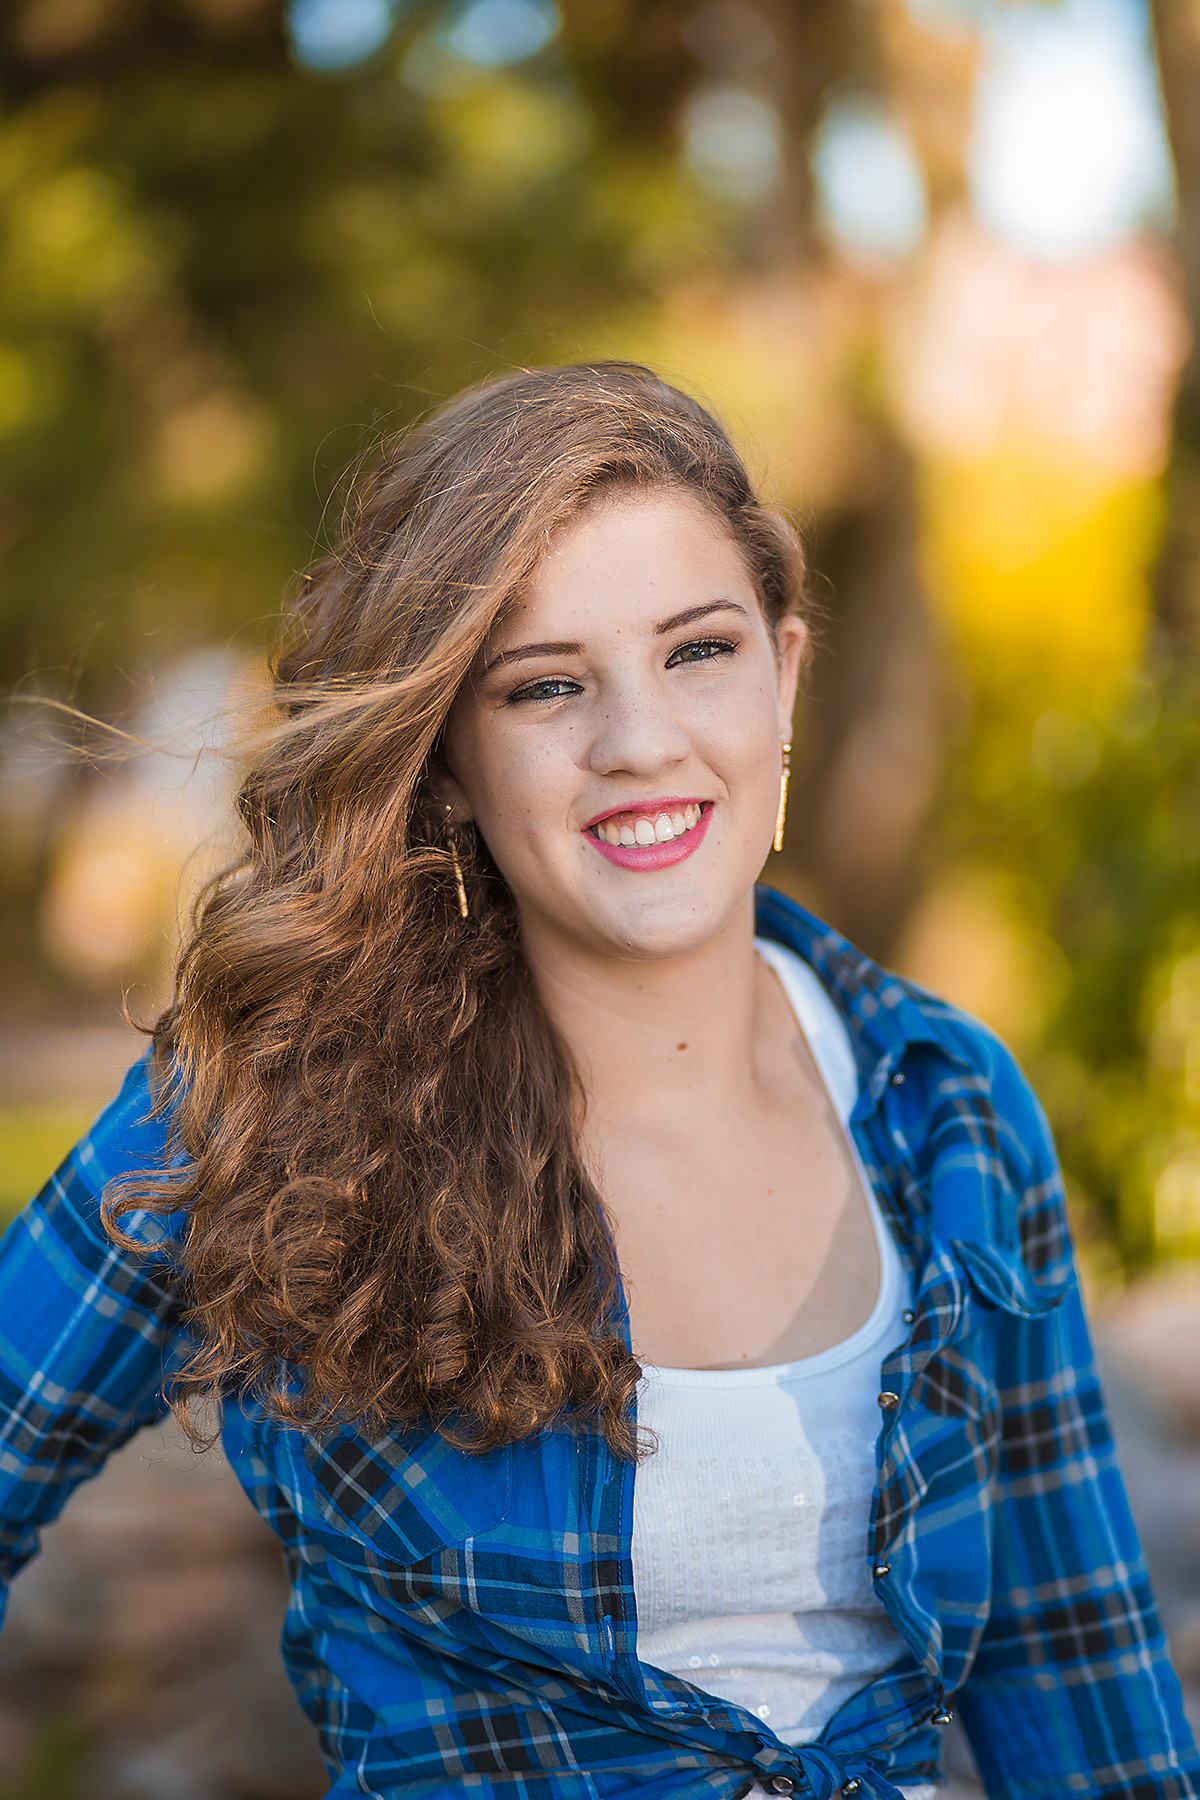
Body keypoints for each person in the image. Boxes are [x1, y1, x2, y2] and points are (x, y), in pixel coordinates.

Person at [0, 362, 1195, 1800]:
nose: (641, 743)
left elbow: (1074, 1671)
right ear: (446, 759)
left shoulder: (951, 1111)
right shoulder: (277, 1097)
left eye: (699, 652)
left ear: (787, 675)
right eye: (546, 686)